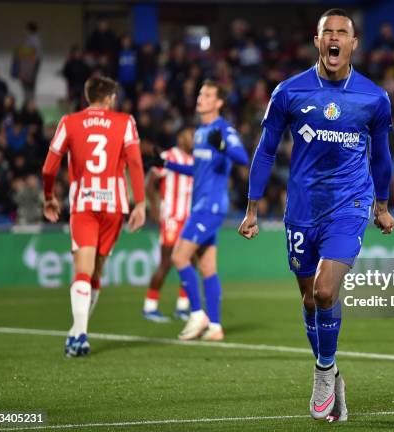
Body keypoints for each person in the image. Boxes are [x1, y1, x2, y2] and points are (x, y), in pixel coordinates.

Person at [238, 9, 394, 422]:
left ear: (354, 43)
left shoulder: (374, 98)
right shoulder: (289, 92)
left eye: (343, 32)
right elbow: (267, 148)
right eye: (329, 32)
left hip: (350, 205)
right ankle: (333, 370)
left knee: (326, 291)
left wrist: (382, 204)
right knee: (309, 299)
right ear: (317, 40)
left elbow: (381, 156)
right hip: (303, 210)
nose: (335, 38)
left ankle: (324, 371)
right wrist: (253, 206)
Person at [41, 76, 146, 357]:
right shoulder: (125, 121)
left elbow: (49, 168)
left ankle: (79, 333)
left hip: (84, 204)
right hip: (114, 206)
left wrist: (49, 196)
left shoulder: (69, 122)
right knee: (96, 271)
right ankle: (78, 333)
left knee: (83, 270)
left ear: (88, 96)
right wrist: (141, 203)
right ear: (110, 98)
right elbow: (135, 162)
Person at [163, 80, 249, 341]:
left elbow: (243, 158)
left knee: (179, 257)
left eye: (208, 95)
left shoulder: (222, 129)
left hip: (210, 207)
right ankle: (214, 327)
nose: (201, 98)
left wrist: (223, 146)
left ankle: (197, 313)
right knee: (208, 267)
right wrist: (166, 163)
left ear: (219, 102)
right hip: (200, 206)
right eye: (200, 93)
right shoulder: (200, 131)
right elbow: (197, 170)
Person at [143, 127, 194, 322]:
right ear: (181, 137)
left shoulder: (195, 160)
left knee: (190, 263)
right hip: (172, 217)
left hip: (189, 218)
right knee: (166, 262)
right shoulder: (168, 156)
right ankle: (150, 306)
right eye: (191, 135)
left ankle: (182, 308)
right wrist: (154, 207)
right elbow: (150, 182)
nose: (194, 139)